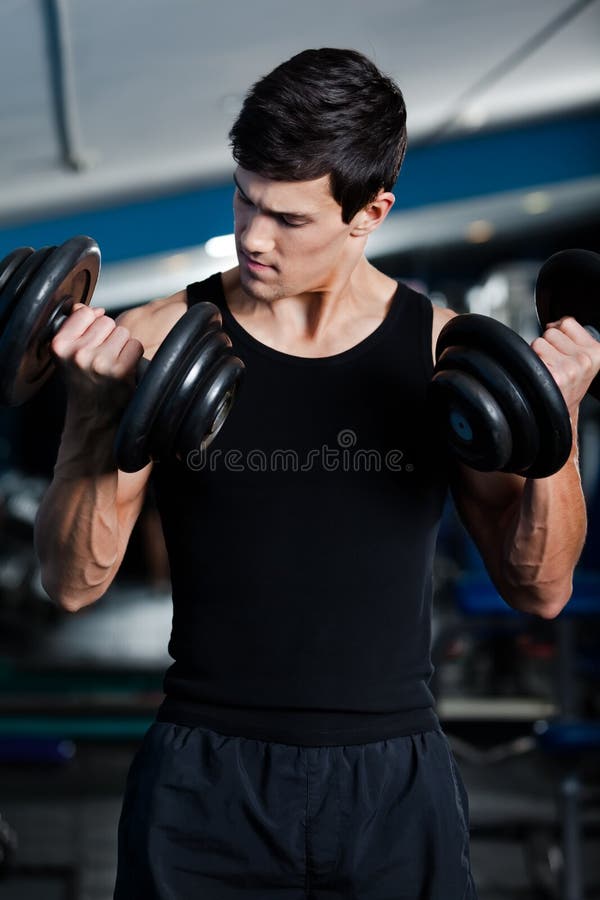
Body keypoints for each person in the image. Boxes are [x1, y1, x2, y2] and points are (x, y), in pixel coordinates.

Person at [33, 48, 599, 899]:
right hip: (203, 775)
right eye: (245, 199)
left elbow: (540, 589)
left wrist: (556, 416)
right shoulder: (156, 338)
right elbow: (72, 584)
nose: (254, 237)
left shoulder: (447, 352)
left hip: (393, 778)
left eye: (290, 219)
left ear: (371, 211)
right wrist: (89, 411)